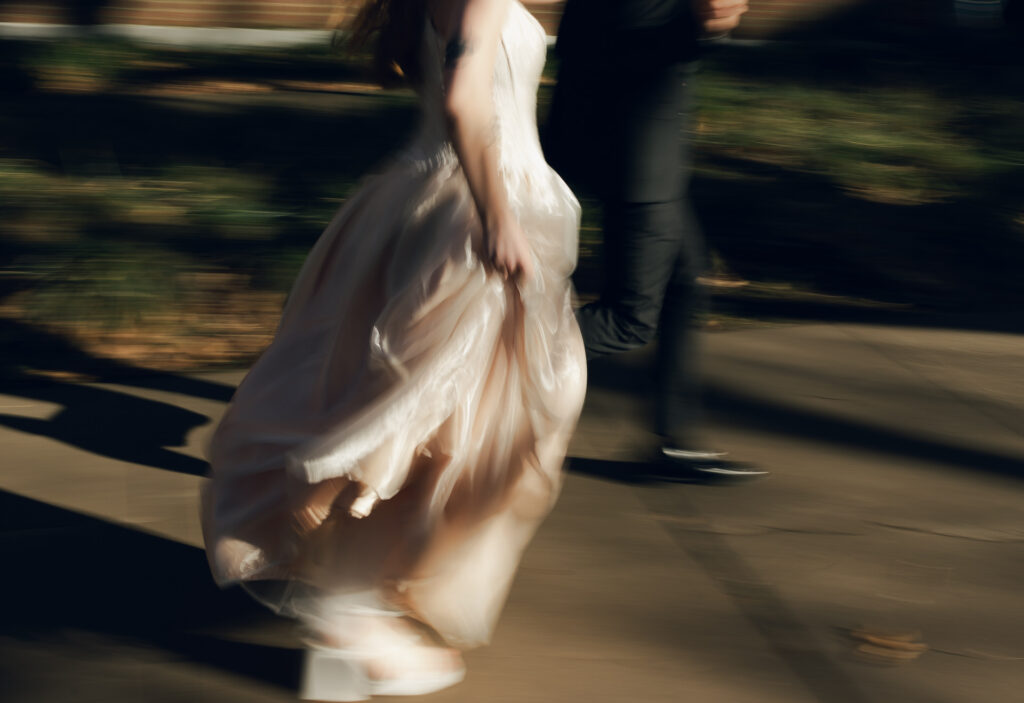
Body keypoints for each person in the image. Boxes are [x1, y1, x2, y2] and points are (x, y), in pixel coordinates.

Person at [200, 0, 585, 699]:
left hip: (422, 196)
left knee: (419, 412)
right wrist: (499, 220)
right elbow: (468, 102)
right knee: (467, 419)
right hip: (478, 212)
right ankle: (349, 612)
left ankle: (353, 606)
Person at [545, 0, 766, 481]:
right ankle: (471, 369)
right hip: (633, 151)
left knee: (685, 284)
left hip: (640, 147)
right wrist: (698, 22)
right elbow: (618, 31)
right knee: (629, 317)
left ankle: (675, 440)